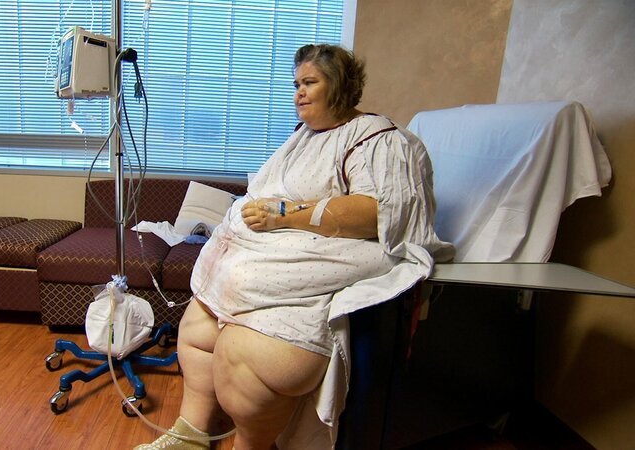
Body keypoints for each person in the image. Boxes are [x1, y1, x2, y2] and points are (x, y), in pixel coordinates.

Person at [136, 44, 453, 450]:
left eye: (309, 83)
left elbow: (379, 214)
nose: (298, 93)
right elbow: (265, 190)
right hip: (273, 254)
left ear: (338, 85)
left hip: (322, 266)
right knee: (196, 327)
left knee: (239, 343)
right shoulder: (304, 138)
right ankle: (190, 434)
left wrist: (285, 216)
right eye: (296, 84)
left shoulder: (381, 141)